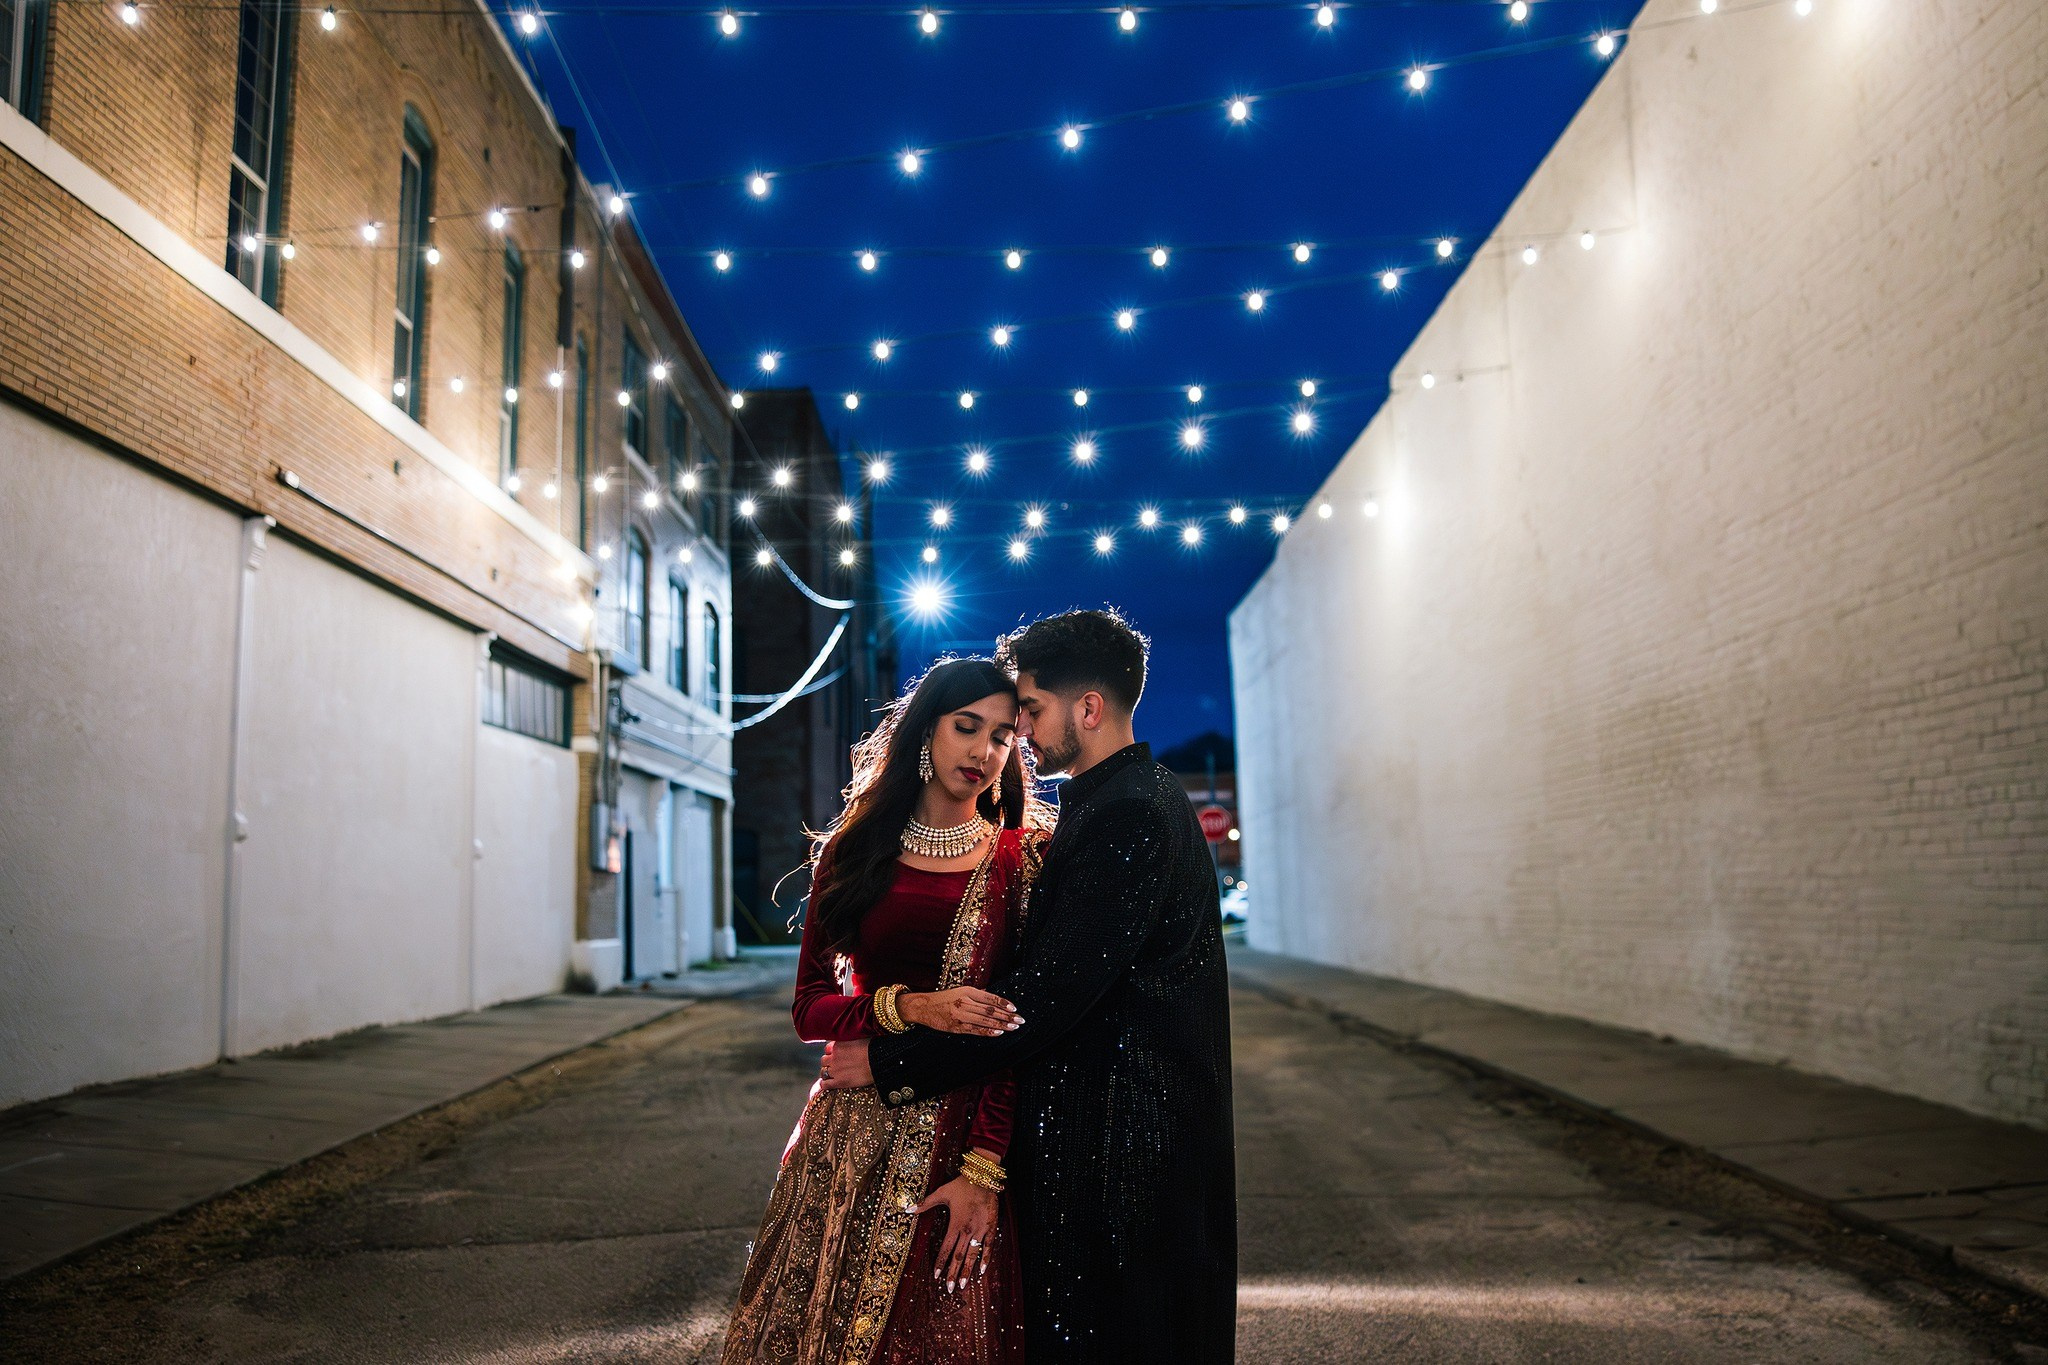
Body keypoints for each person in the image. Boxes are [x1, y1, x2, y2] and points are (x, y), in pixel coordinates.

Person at [823, 609, 1237, 1363]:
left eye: (1032, 712)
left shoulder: (1130, 813)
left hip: (1123, 1163)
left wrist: (890, 1062)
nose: (1023, 733)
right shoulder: (1117, 801)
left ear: (1089, 708)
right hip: (1115, 1157)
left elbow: (1041, 1002)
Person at [721, 658, 1052, 1365]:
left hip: (961, 1136)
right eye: (967, 727)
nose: (983, 752)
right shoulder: (853, 851)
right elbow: (811, 1008)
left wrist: (985, 1167)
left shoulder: (1017, 861)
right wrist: (914, 1006)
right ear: (924, 730)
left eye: (1001, 737)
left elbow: (1016, 1030)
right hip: (849, 1135)